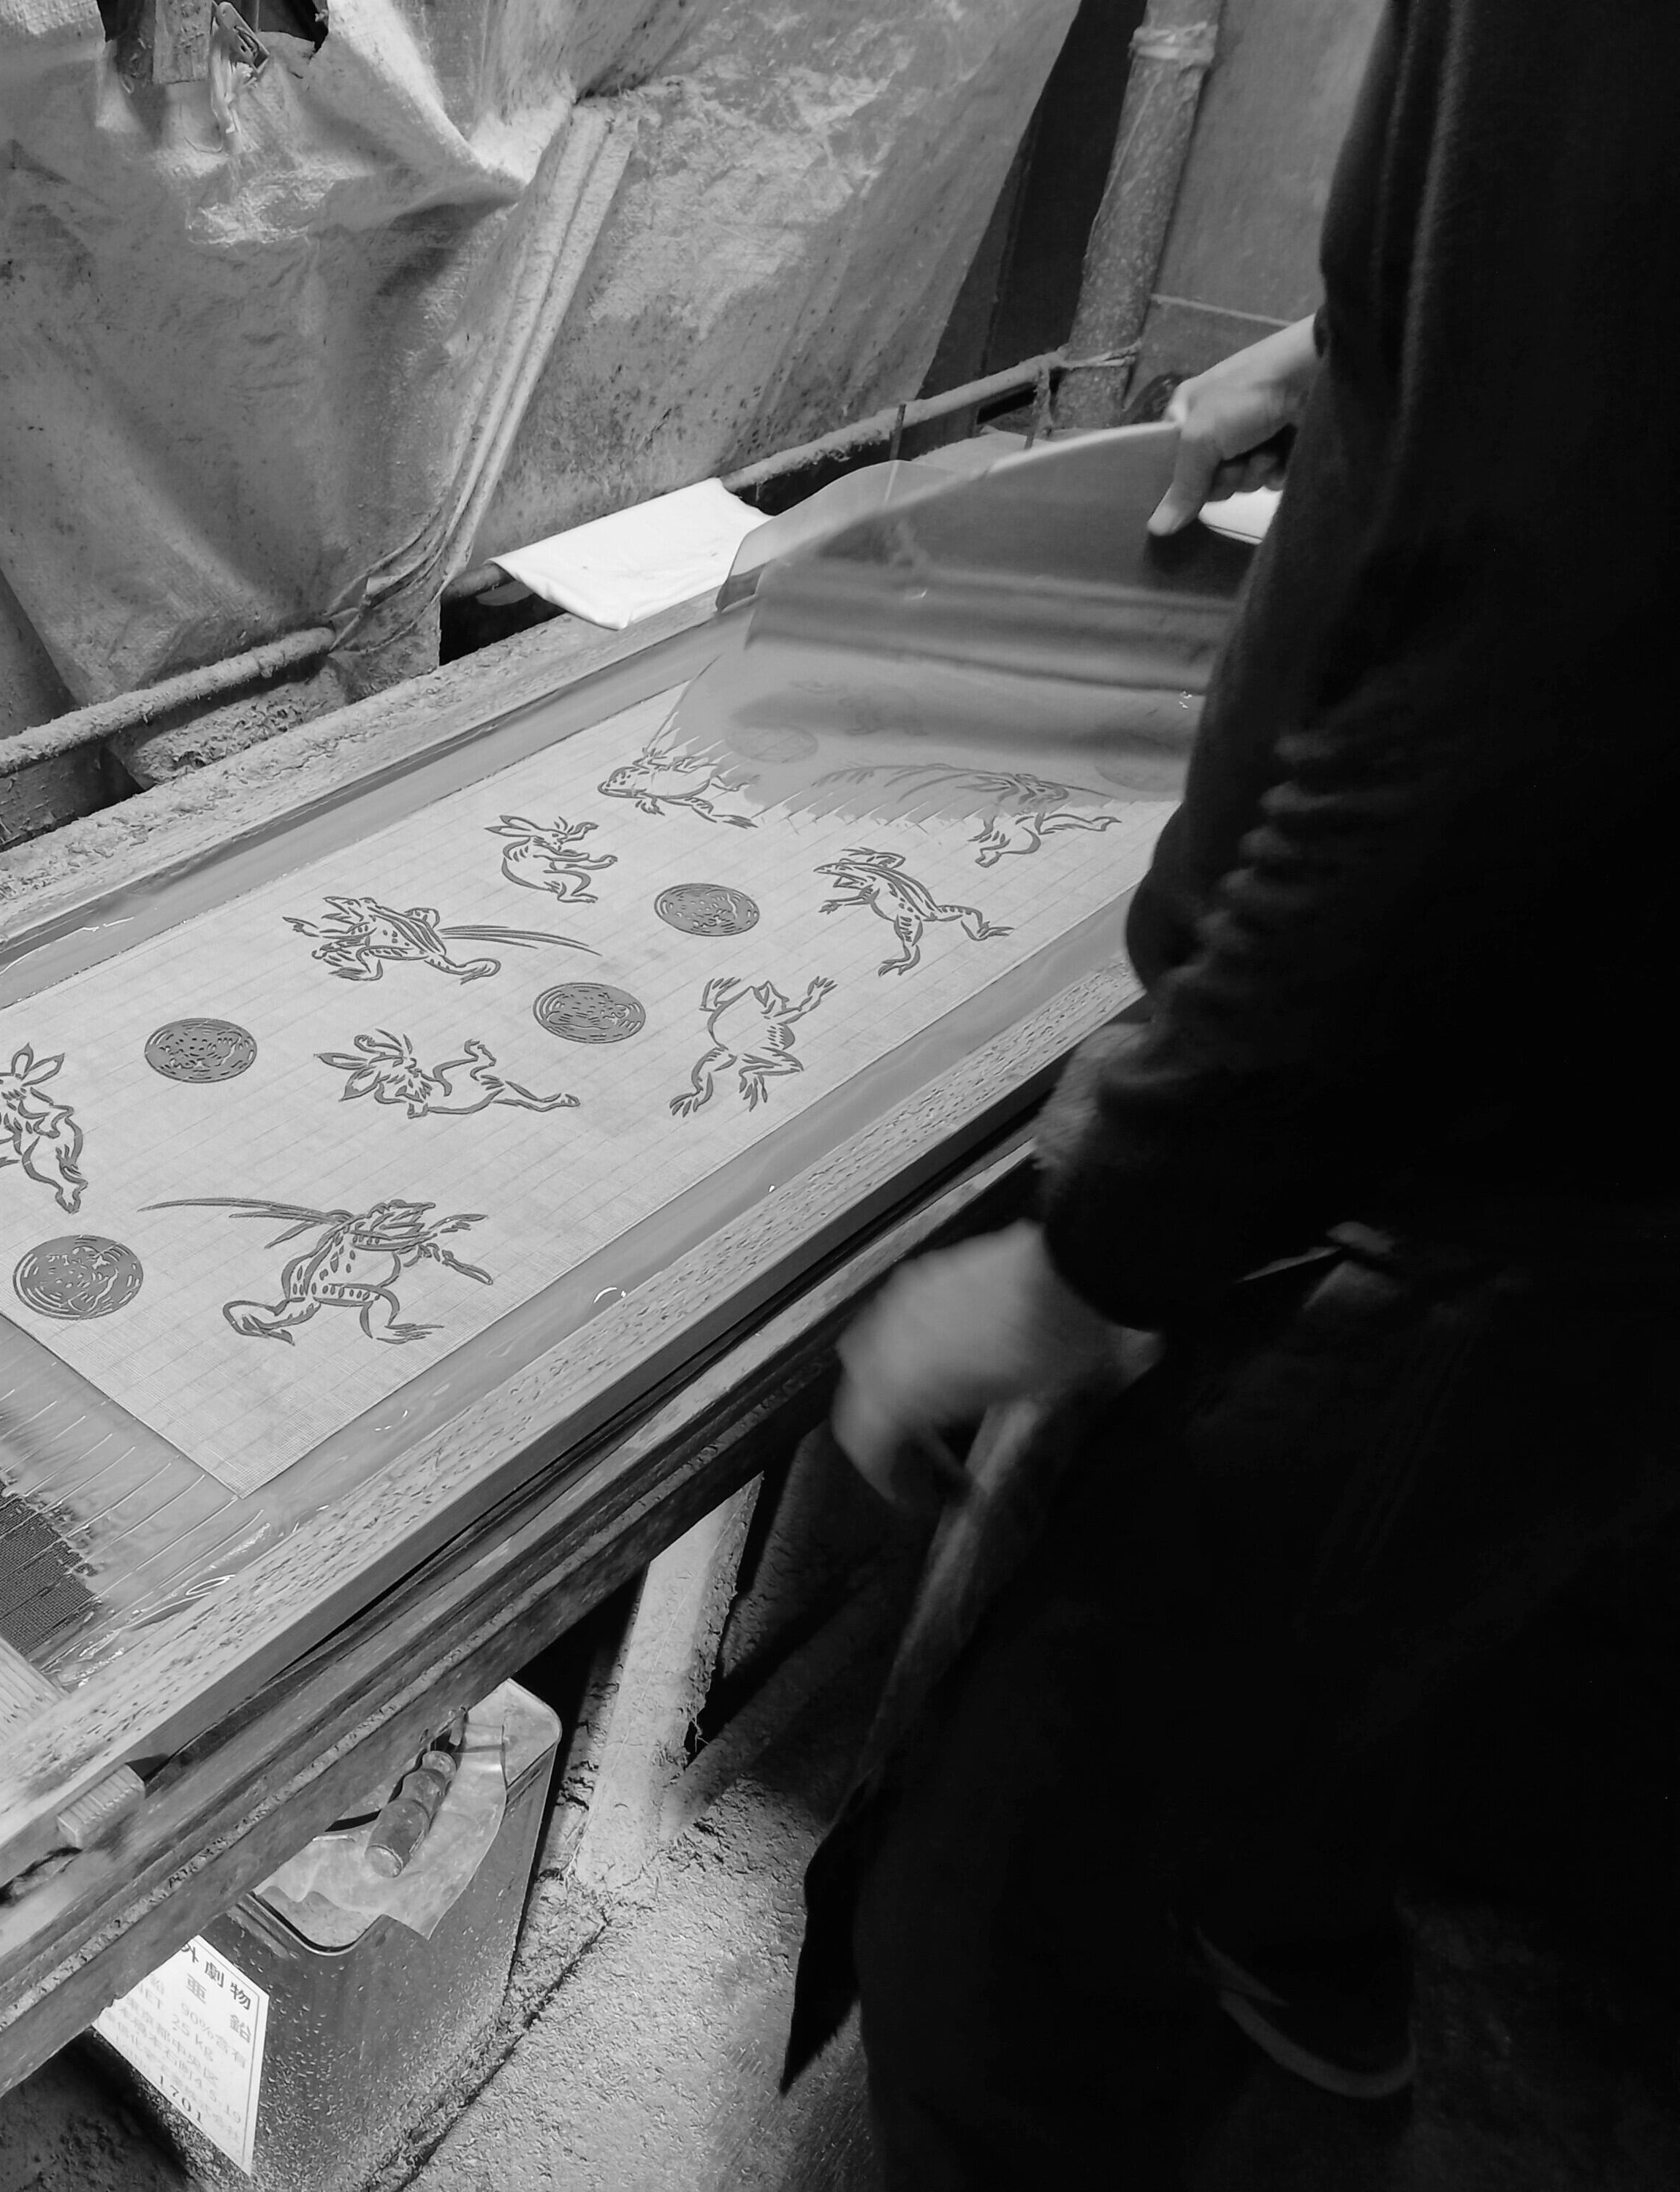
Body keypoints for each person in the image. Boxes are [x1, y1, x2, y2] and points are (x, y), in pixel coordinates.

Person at [799, 1, 1680, 2183]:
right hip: (1563, 1153)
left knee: (1007, 1936)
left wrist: (1099, 1247)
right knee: (1385, 1717)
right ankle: (1308, 1940)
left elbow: (1540, 683)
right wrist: (1378, 352)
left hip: (1472, 1175)